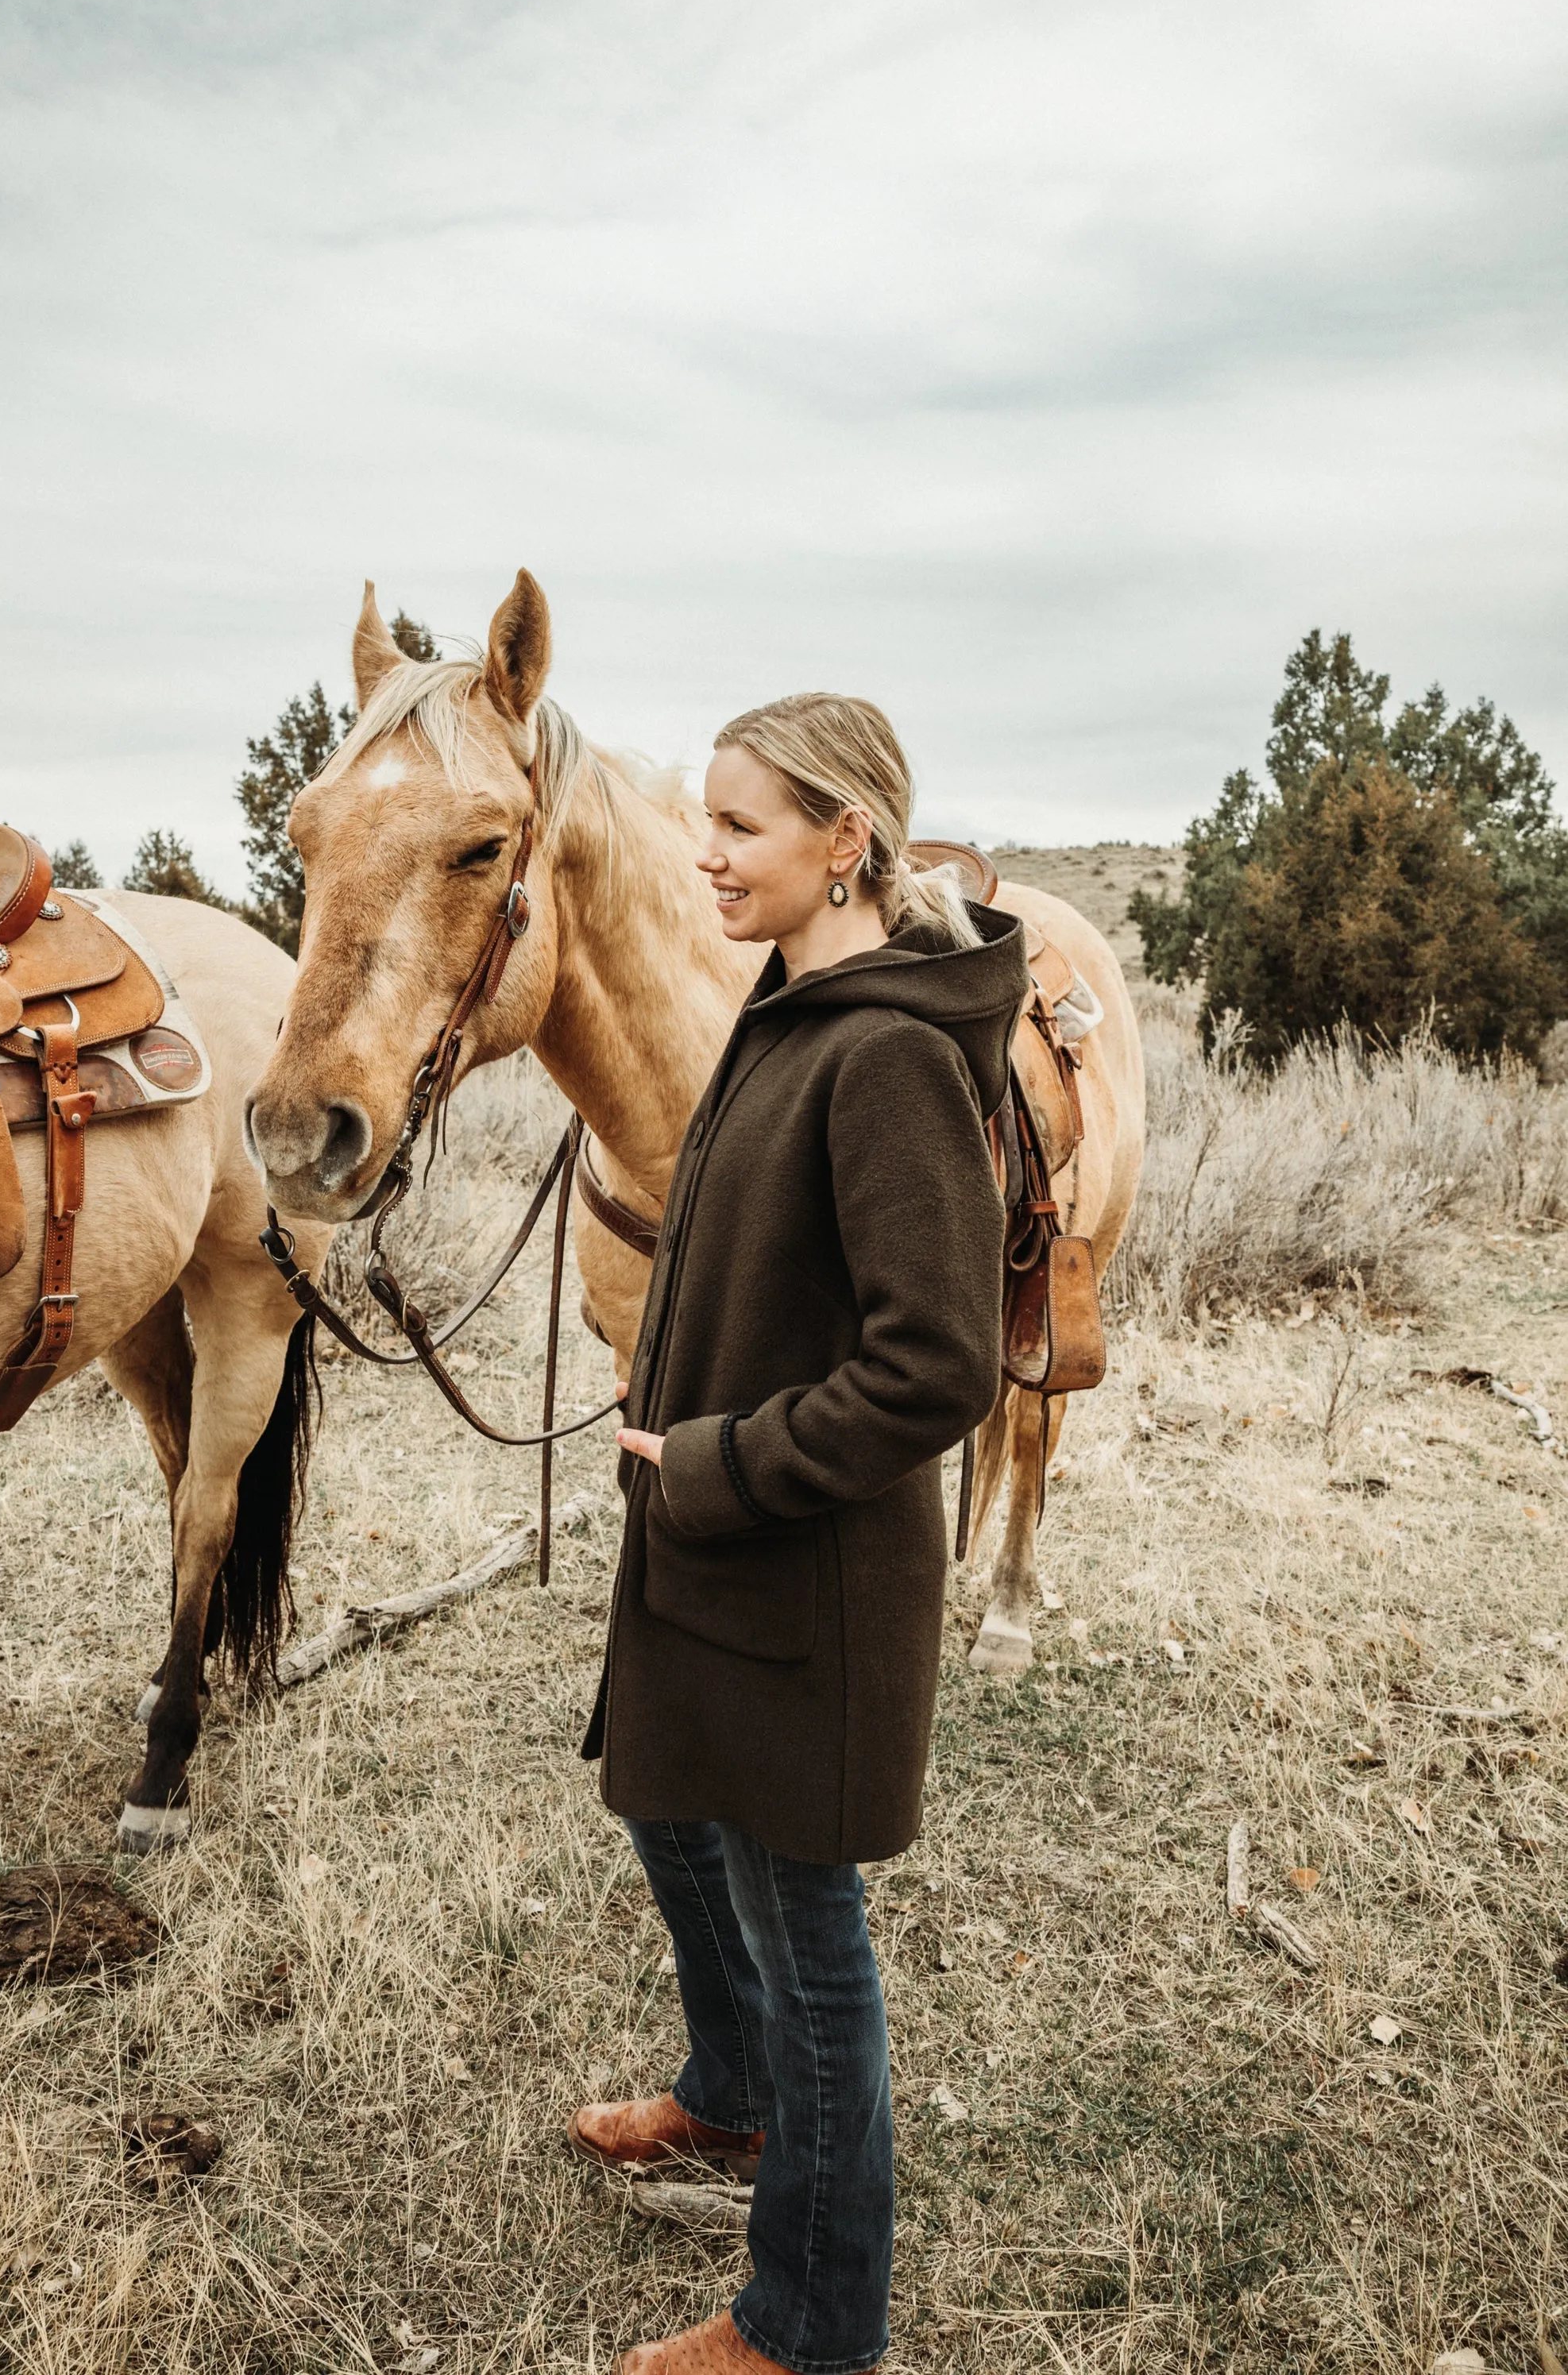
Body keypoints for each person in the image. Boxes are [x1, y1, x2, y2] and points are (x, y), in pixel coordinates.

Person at [570, 692, 1029, 2375]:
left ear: (847, 840)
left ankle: (810, 2324)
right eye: (705, 817)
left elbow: (938, 1366)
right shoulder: (794, 1007)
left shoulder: (890, 1050)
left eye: (744, 824)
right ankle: (728, 2091)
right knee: (674, 1816)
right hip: (713, 1545)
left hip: (800, 1576)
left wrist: (717, 1463)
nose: (706, 852)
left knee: (810, 1943)